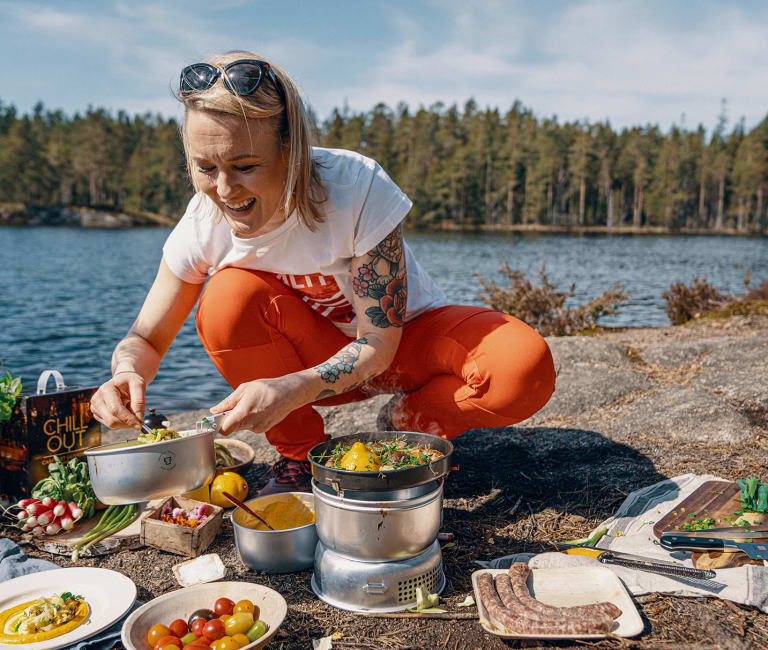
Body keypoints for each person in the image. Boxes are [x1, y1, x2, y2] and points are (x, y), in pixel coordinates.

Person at [89, 51, 556, 495]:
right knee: (226, 296)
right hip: (310, 368)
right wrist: (125, 373)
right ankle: (301, 456)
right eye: (205, 167)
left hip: (402, 345)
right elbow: (146, 339)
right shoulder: (202, 224)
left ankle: (407, 424)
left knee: (521, 368)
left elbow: (378, 344)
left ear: (291, 148)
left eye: (245, 165)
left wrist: (293, 387)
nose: (224, 189)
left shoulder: (355, 186)